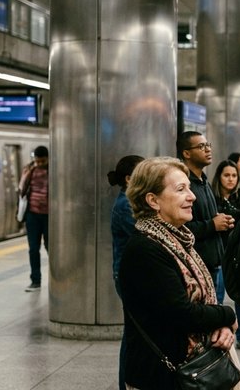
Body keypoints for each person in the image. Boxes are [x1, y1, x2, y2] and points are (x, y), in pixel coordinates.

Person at [119, 157, 240, 389]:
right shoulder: (145, 249)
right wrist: (227, 315)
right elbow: (181, 313)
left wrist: (219, 325)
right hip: (163, 374)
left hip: (191, 365)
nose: (192, 195)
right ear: (153, 200)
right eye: (180, 189)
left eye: (189, 187)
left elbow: (196, 305)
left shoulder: (177, 238)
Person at [177, 131, 235, 305]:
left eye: (208, 145)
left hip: (213, 264)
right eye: (201, 146)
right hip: (195, 267)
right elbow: (180, 228)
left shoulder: (203, 181)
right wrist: (212, 224)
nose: (208, 150)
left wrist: (220, 220)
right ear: (186, 153)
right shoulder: (184, 185)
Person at [107, 154, 145, 390]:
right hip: (129, 277)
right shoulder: (124, 206)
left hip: (132, 275)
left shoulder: (132, 202)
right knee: (133, 335)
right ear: (130, 179)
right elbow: (146, 235)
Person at [211, 160, 240, 353]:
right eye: (226, 175)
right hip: (218, 253)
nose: (230, 179)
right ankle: (217, 333)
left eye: (233, 176)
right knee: (217, 295)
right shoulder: (212, 198)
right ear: (219, 177)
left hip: (239, 255)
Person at [19, 145, 49, 292]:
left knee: (51, 248)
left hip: (49, 215)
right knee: (33, 249)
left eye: (42, 161)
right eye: (37, 161)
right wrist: (29, 171)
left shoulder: (53, 170)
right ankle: (35, 281)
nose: (40, 163)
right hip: (32, 215)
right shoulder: (30, 170)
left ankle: (57, 278)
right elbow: (22, 189)